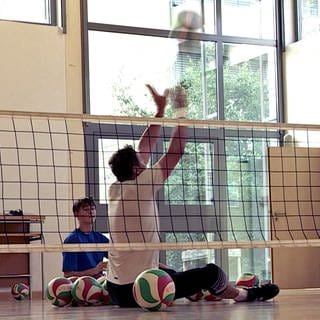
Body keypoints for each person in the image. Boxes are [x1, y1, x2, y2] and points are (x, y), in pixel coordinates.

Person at [106, 84, 279, 307]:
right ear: (136, 170)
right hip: (139, 289)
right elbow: (176, 152)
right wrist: (181, 112)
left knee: (169, 270)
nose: (144, 161)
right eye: (140, 163)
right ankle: (247, 295)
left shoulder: (115, 189)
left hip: (115, 289)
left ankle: (202, 289)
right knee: (211, 273)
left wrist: (160, 111)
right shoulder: (141, 185)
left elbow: (144, 147)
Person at [62, 197, 109, 279]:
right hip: (80, 286)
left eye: (93, 209)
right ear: (76, 214)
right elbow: (68, 275)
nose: (91, 212)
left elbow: (117, 257)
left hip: (99, 283)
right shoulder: (72, 240)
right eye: (86, 209)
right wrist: (95, 270)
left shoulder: (101, 238)